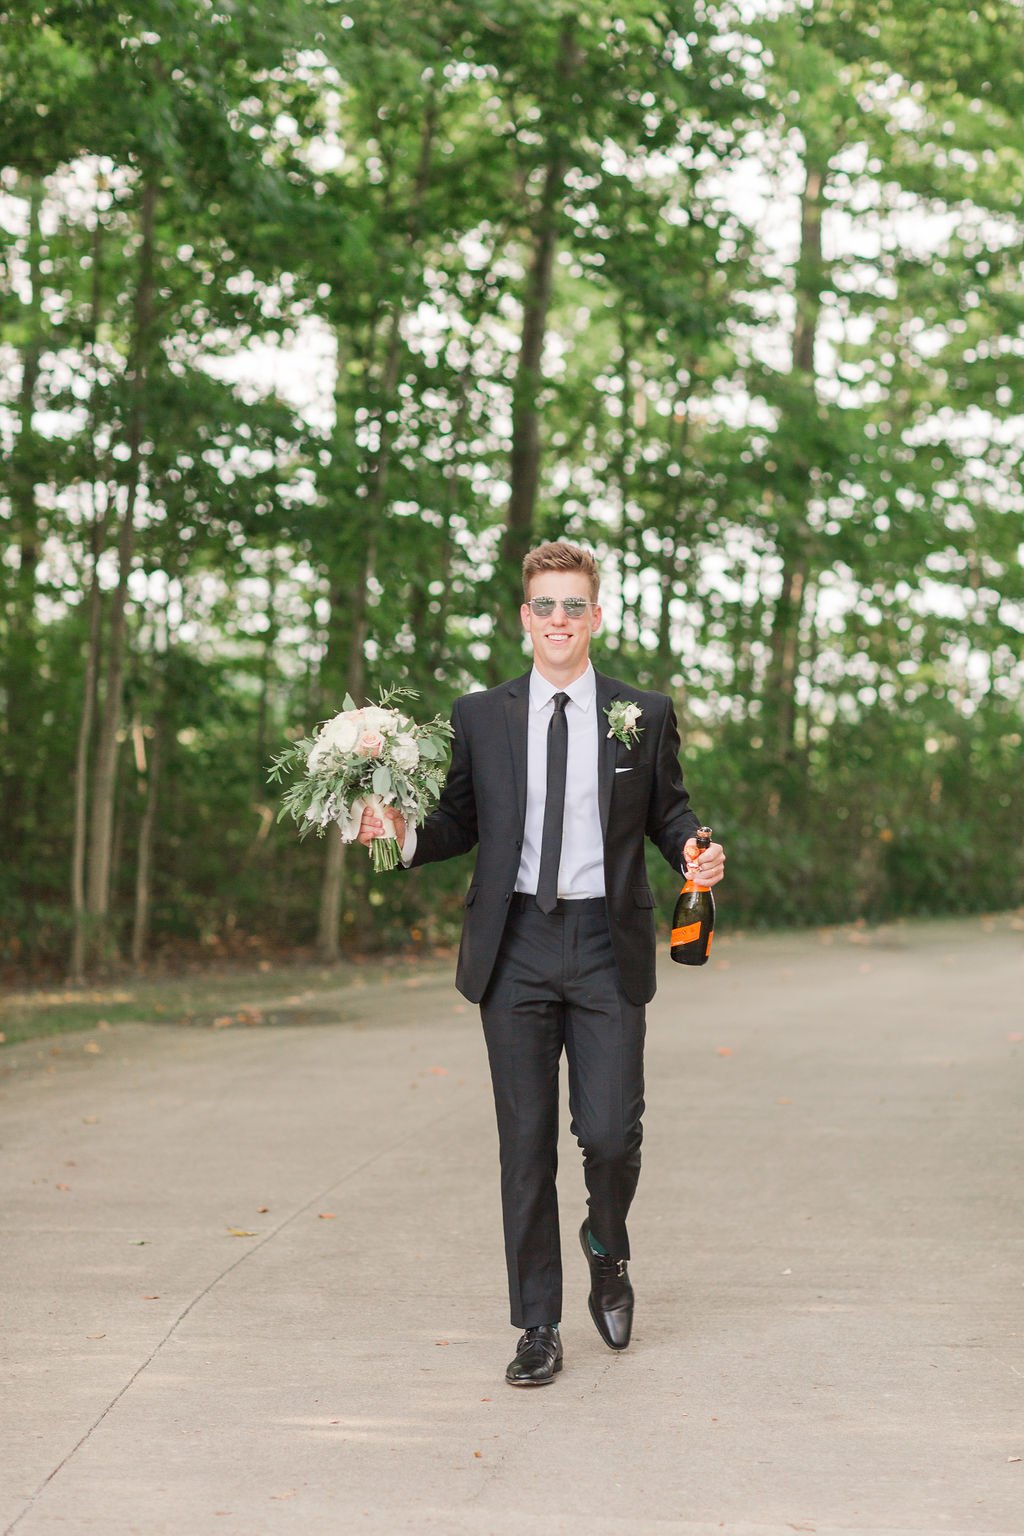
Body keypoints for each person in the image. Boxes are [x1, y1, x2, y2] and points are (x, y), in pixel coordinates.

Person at [358, 541, 725, 1387]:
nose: (559, 620)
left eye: (574, 606)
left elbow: (672, 814)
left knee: (609, 1133)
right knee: (524, 1145)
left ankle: (607, 1241)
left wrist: (698, 853)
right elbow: (459, 822)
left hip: (606, 944)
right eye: (545, 606)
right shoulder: (481, 715)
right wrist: (402, 835)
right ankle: (538, 1325)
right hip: (514, 946)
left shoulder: (645, 711)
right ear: (525, 617)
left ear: (596, 616)